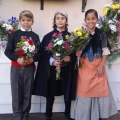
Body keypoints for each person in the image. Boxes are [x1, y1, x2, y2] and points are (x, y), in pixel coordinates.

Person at [70, 9, 118, 120]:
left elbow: (105, 50)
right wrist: (77, 52)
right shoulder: (80, 33)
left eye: (93, 18)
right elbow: (76, 52)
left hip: (97, 65)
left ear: (97, 19)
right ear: (85, 20)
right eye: (88, 19)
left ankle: (97, 116)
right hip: (84, 66)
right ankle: (84, 116)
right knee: (84, 89)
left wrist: (101, 65)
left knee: (100, 89)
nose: (91, 21)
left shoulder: (101, 34)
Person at [33, 10, 76, 120]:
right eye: (58, 18)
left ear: (66, 21)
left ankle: (67, 113)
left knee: (67, 90)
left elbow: (76, 54)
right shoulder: (48, 36)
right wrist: (52, 61)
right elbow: (43, 54)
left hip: (66, 69)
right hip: (52, 70)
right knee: (50, 92)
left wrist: (69, 58)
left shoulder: (71, 37)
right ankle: (48, 114)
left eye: (62, 18)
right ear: (54, 21)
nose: (60, 20)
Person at [4, 10, 41, 120]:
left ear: (32, 22)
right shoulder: (14, 35)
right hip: (16, 68)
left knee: (27, 93)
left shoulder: (35, 36)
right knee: (16, 94)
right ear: (20, 21)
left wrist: (32, 59)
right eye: (23, 20)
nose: (26, 22)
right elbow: (8, 51)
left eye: (28, 20)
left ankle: (25, 116)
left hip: (29, 68)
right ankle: (17, 116)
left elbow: (39, 53)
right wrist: (17, 59)